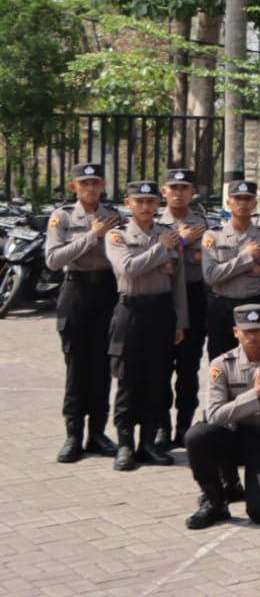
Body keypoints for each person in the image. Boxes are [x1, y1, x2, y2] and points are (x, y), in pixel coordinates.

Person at [182, 303, 260, 529]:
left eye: (257, 330)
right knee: (197, 435)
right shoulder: (222, 365)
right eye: (246, 331)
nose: (252, 336)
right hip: (236, 436)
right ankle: (215, 502)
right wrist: (256, 394)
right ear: (236, 332)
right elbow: (215, 415)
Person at [105, 180, 188, 471]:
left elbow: (177, 284)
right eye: (138, 201)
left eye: (150, 201)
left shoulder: (169, 235)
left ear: (158, 204)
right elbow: (128, 269)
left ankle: (149, 442)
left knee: (157, 379)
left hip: (161, 313)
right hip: (131, 311)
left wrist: (180, 321)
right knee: (129, 380)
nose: (145, 206)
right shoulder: (118, 236)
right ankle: (126, 444)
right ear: (128, 203)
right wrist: (160, 250)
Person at [44, 162, 120, 462]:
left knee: (102, 367)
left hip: (106, 294)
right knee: (77, 367)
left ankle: (97, 433)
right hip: (75, 292)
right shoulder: (61, 216)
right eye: (83, 183)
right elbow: (53, 259)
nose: (90, 187)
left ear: (102, 185)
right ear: (74, 186)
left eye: (95, 182)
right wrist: (91, 235)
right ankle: (73, 435)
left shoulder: (114, 217)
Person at [156, 167, 209, 453]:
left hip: (195, 299)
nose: (178, 193)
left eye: (184, 188)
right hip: (162, 299)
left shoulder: (204, 225)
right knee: (162, 368)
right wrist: (184, 242)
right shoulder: (153, 223)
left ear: (192, 192)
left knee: (188, 370)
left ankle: (184, 427)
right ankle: (163, 428)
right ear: (164, 191)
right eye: (173, 188)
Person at [200, 180, 260, 362]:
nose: (242, 203)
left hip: (253, 306)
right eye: (237, 198)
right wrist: (247, 258)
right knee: (220, 362)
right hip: (221, 308)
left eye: (247, 199)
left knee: (255, 363)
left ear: (255, 204)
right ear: (228, 202)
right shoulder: (213, 236)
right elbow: (211, 276)